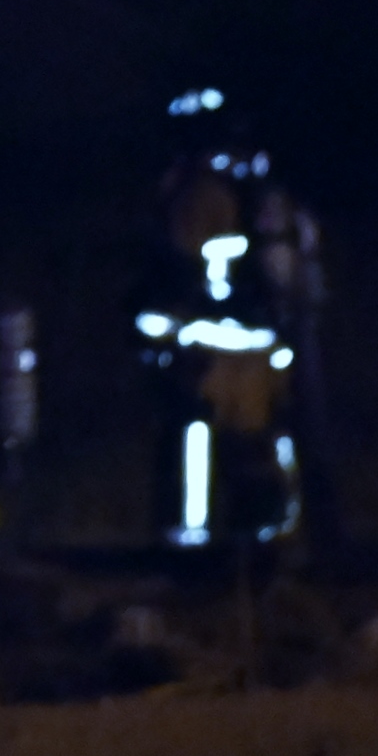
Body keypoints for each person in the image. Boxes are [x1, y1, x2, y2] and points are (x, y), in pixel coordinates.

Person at [135, 93, 300, 552]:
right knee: (258, 443)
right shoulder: (260, 189)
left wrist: (160, 325)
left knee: (194, 435)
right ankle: (270, 539)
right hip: (263, 344)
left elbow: (180, 270)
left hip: (210, 344)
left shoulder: (196, 193)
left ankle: (193, 542)